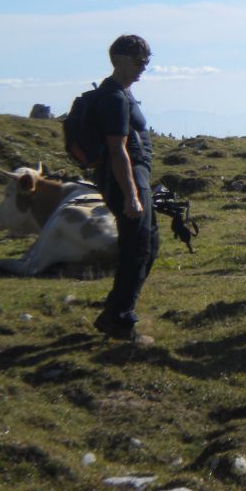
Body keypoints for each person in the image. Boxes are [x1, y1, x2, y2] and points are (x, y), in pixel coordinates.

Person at [92, 35, 159, 344]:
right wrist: (131, 195)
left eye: (146, 62)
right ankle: (119, 320)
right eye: (138, 62)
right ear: (118, 59)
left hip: (136, 180)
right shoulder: (115, 98)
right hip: (128, 182)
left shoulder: (123, 93)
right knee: (137, 250)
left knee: (148, 246)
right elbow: (118, 150)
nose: (143, 68)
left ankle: (115, 308)